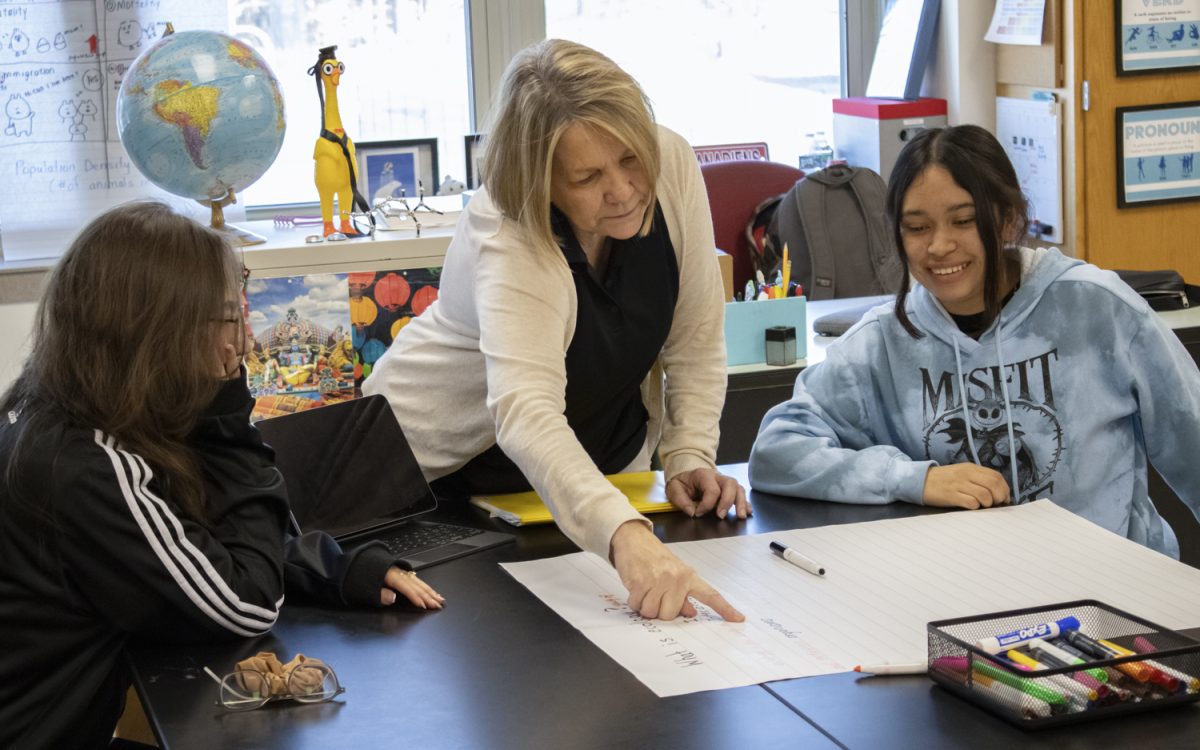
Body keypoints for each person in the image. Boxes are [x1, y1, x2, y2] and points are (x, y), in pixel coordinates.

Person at [0, 202, 443, 749]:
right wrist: (227, 409)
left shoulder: (66, 412)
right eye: (229, 318)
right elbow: (244, 601)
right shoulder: (83, 467)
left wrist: (332, 570)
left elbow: (190, 536)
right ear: (161, 332)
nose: (248, 341)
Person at [364, 39, 749, 621]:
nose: (621, 190)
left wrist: (688, 451)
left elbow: (693, 337)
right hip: (442, 484)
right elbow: (526, 412)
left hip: (580, 481)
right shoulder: (509, 225)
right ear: (541, 181)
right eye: (588, 176)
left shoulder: (669, 163)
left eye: (629, 159)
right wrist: (625, 535)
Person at [749, 124, 1200, 558]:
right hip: (963, 598)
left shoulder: (1097, 308)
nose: (940, 246)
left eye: (963, 221)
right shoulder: (882, 343)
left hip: (1119, 592)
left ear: (1008, 219)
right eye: (917, 227)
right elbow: (776, 452)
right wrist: (912, 479)